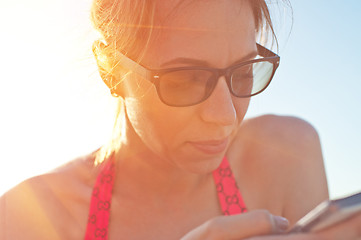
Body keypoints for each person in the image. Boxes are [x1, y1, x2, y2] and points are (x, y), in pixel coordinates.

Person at [1, 0, 360, 239]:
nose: (225, 117)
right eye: (184, 78)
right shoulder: (29, 220)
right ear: (109, 71)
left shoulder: (286, 156)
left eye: (245, 71)